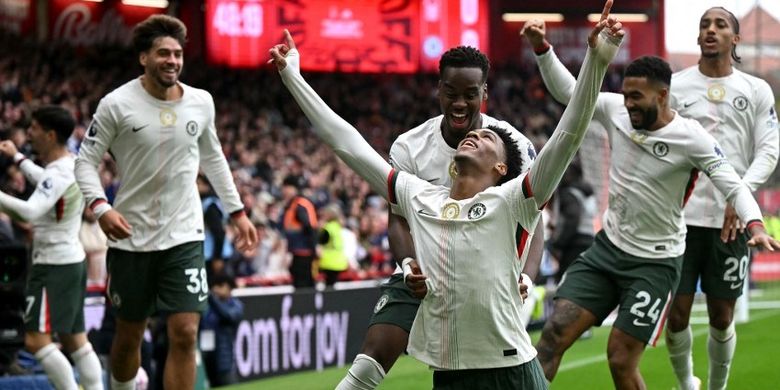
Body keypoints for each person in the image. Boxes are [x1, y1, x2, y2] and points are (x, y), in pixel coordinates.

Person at [270, 1, 623, 386]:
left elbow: (570, 133)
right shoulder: (420, 194)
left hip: (511, 370)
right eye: (472, 134)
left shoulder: (512, 200)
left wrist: (597, 60)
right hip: (450, 366)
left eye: (486, 136)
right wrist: (294, 79)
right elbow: (346, 143)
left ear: (502, 169)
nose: (473, 131)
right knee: (375, 351)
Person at [521, 22, 780, 390]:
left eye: (637, 97)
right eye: (626, 95)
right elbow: (569, 92)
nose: (628, 104)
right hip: (607, 251)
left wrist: (754, 223)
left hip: (655, 263)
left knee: (621, 359)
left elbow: (730, 182)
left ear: (662, 97)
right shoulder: (616, 111)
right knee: (552, 336)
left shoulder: (692, 138)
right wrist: (543, 49)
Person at [338, 43, 545, 390]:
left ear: (485, 92)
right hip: (423, 270)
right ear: (439, 90)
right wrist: (407, 264)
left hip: (484, 278)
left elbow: (533, 221)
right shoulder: (409, 146)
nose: (459, 103)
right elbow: (398, 216)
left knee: (488, 363)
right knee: (372, 356)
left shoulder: (513, 146)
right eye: (450, 93)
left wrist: (526, 276)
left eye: (469, 94)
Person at [74, 15, 257, 390]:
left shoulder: (201, 103)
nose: (172, 60)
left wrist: (237, 212)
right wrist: (100, 208)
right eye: (163, 53)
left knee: (186, 331)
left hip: (184, 234)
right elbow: (85, 163)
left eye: (177, 54)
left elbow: (214, 159)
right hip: (131, 237)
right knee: (129, 335)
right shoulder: (116, 104)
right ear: (144, 58)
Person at [667, 8, 779, 390]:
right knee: (677, 313)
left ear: (736, 38)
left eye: (720, 25)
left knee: (721, 315)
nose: (710, 30)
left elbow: (769, 150)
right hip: (679, 220)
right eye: (704, 25)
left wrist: (740, 191)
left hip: (730, 223)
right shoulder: (675, 86)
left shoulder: (757, 90)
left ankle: (717, 387)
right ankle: (686, 384)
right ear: (698, 39)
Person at [0, 105, 103, 390]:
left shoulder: (58, 175)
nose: (29, 134)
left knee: (35, 340)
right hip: (70, 261)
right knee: (74, 339)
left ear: (50, 134)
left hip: (52, 266)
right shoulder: (71, 165)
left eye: (33, 129)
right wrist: (18, 158)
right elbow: (45, 180)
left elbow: (30, 212)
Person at [200, 273, 243, 387]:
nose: (216, 289)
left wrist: (211, 298)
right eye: (215, 286)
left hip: (224, 360)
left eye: (220, 286)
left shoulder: (236, 306)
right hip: (208, 358)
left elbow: (227, 316)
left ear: (229, 288)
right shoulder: (208, 307)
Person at [279, 174, 319, 288]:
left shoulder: (300, 205)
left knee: (304, 285)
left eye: (286, 188)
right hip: (296, 252)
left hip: (304, 254)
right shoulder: (292, 205)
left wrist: (314, 248)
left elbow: (310, 227)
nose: (284, 191)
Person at [198, 174, 234, 282]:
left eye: (199, 183)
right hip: (213, 253)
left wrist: (217, 258)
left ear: (207, 185)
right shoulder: (208, 202)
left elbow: (219, 233)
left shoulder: (210, 206)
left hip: (213, 254)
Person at [318, 204, 349, 287]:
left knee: (329, 287)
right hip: (339, 262)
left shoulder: (327, 228)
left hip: (328, 262)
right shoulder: (338, 227)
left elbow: (320, 242)